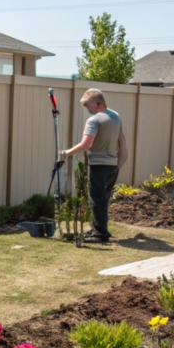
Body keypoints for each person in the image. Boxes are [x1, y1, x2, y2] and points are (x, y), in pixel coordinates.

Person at [63, 88, 127, 244]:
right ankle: (98, 229)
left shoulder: (95, 120)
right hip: (112, 165)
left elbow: (86, 144)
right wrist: (119, 164)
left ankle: (100, 234)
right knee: (103, 199)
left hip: (98, 165)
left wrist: (66, 153)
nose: (87, 109)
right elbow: (122, 142)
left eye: (88, 105)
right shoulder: (115, 117)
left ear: (98, 104)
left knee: (96, 200)